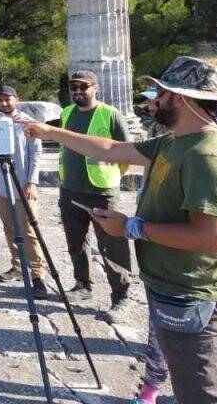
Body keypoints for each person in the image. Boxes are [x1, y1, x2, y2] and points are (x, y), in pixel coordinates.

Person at [15, 56, 217, 404]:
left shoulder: (206, 157)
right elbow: (109, 149)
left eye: (161, 94)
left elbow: (211, 238)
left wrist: (132, 227)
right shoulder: (173, 141)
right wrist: (49, 132)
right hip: (167, 283)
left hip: (191, 290)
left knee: (199, 390)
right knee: (179, 374)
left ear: (181, 99)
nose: (153, 101)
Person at [57, 70, 134, 310]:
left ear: (95, 88)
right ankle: (82, 285)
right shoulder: (67, 112)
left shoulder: (110, 114)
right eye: (74, 88)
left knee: (111, 245)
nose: (78, 91)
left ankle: (120, 295)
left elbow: (127, 152)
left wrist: (113, 177)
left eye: (83, 87)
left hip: (101, 191)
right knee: (76, 242)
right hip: (70, 188)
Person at [0, 85, 49, 299]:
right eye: (0, 100)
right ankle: (18, 266)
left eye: (8, 99)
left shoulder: (28, 122)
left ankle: (38, 276)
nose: (4, 103)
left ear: (16, 100)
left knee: (29, 231)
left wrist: (32, 181)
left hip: (22, 184)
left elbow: (36, 153)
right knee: (9, 228)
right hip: (1, 186)